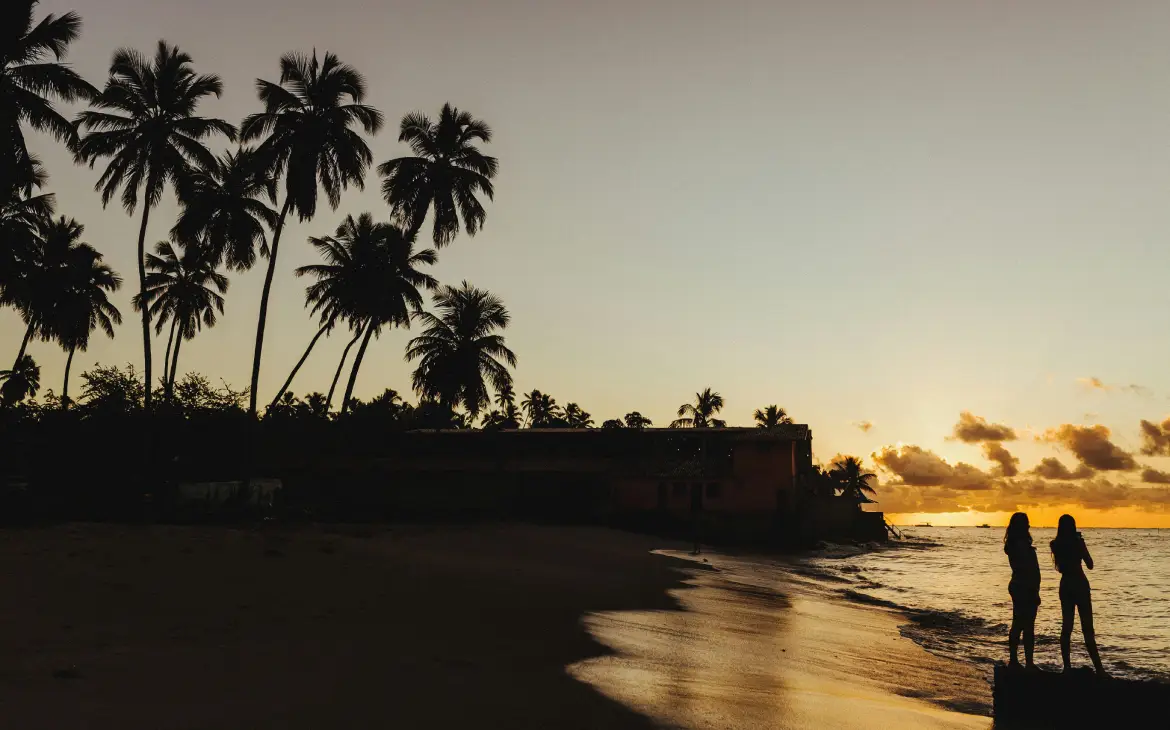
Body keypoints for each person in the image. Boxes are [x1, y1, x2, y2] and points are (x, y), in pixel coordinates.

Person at [1050, 514, 1106, 675]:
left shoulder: (1055, 544)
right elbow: (1090, 565)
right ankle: (1099, 669)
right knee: (1087, 629)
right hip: (1080, 584)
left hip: (1066, 584)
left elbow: (1060, 568)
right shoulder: (1078, 542)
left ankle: (1066, 667)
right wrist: (1081, 545)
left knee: (1066, 627)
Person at [1004, 512, 1040, 669]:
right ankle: (1028, 663)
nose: (1029, 526)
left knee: (1018, 623)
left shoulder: (1014, 545)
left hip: (1018, 585)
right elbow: (1029, 569)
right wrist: (1034, 591)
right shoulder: (1021, 546)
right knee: (1027, 626)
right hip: (1025, 586)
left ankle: (1014, 660)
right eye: (1027, 523)